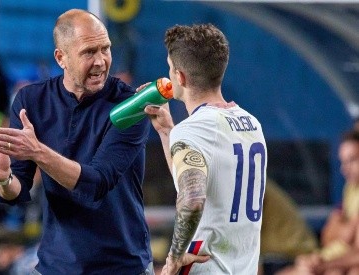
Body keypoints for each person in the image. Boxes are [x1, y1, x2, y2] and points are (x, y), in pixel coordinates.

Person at [0, 9, 153, 275]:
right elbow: (17, 190)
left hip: (121, 266)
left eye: (105, 49)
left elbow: (96, 184)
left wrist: (38, 152)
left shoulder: (130, 105)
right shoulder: (31, 102)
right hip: (57, 265)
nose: (101, 61)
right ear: (61, 57)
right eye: (88, 52)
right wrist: (3, 178)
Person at [144, 23, 268, 274]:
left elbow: (192, 199)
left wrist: (174, 257)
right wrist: (168, 133)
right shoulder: (251, 123)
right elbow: (194, 180)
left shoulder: (193, 131)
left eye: (170, 67)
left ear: (180, 76)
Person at [276, 129, 359, 275]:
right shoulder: (350, 188)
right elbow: (328, 235)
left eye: (352, 160)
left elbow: (350, 241)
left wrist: (324, 265)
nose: (344, 169)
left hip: (332, 264)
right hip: (325, 259)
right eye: (343, 161)